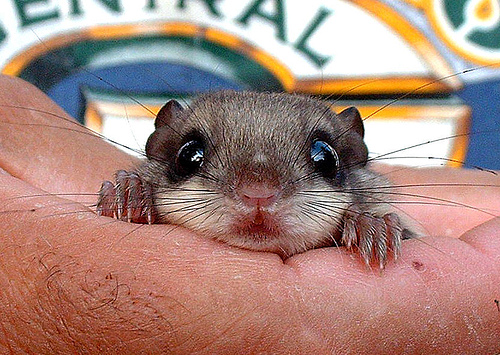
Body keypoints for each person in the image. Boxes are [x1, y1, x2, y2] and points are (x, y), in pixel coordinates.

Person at [0, 74, 498, 353]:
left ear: (351, 159)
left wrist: (371, 226)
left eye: (320, 160)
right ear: (161, 148)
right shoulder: (144, 186)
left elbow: (402, 228)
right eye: (195, 158)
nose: (258, 194)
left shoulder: (367, 204)